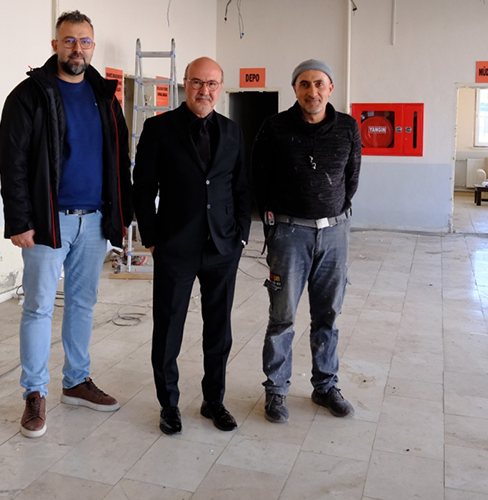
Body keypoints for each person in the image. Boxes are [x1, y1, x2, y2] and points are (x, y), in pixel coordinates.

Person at [0, 10, 132, 439]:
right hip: (46, 222)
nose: (77, 49)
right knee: (38, 307)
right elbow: (12, 163)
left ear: (93, 46)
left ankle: (75, 381)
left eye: (85, 41)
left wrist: (121, 216)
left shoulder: (104, 96)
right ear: (55, 45)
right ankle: (34, 393)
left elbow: (120, 159)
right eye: (69, 40)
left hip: (93, 221)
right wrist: (19, 221)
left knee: (82, 304)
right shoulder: (29, 95)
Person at [133, 57, 252, 435]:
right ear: (186, 84)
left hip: (222, 248)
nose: (205, 90)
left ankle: (213, 400)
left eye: (212, 84)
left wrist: (241, 236)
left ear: (220, 87)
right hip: (175, 247)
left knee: (219, 330)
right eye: (198, 83)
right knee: (169, 329)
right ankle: (168, 404)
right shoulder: (159, 128)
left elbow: (242, 188)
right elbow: (142, 188)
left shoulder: (232, 132)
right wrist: (152, 238)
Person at [252, 59, 361, 423]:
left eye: (318, 84)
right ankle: (276, 390)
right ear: (295, 89)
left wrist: (330, 215)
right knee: (281, 317)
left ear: (330, 88)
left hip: (334, 234)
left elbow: (351, 180)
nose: (312, 91)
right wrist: (276, 226)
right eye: (304, 84)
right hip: (289, 234)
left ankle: (325, 386)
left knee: (328, 315)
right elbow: (259, 179)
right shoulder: (274, 127)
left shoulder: (347, 127)